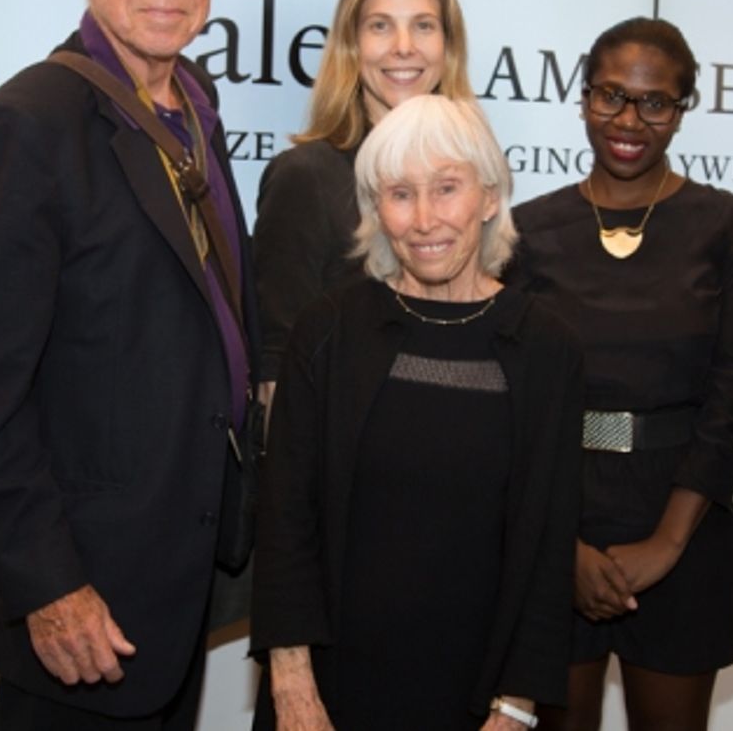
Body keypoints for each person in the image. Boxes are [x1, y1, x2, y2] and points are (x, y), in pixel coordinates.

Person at [0, 0, 257, 730]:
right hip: (86, 603)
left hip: (176, 576)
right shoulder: (31, 122)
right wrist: (48, 586)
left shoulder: (195, 106)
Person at [250, 94, 584, 730]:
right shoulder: (328, 330)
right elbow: (286, 516)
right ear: (375, 210)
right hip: (328, 688)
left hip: (478, 693)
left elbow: (548, 544)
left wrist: (517, 706)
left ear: (490, 197)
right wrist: (291, 685)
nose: (425, 219)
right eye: (401, 194)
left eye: (447, 188)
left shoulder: (547, 348)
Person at [506, 17, 733, 731]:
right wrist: (562, 549)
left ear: (682, 109)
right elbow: (513, 407)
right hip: (560, 519)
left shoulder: (731, 226)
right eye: (610, 95)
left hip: (683, 518)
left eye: (655, 102)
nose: (628, 120)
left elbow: (730, 399)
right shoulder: (525, 230)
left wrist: (667, 544)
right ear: (583, 97)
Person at [251, 0, 475, 396]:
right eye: (380, 26)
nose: (404, 46)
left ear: (448, 46)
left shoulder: (473, 178)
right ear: (351, 46)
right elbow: (276, 372)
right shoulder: (305, 178)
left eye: (423, 26)